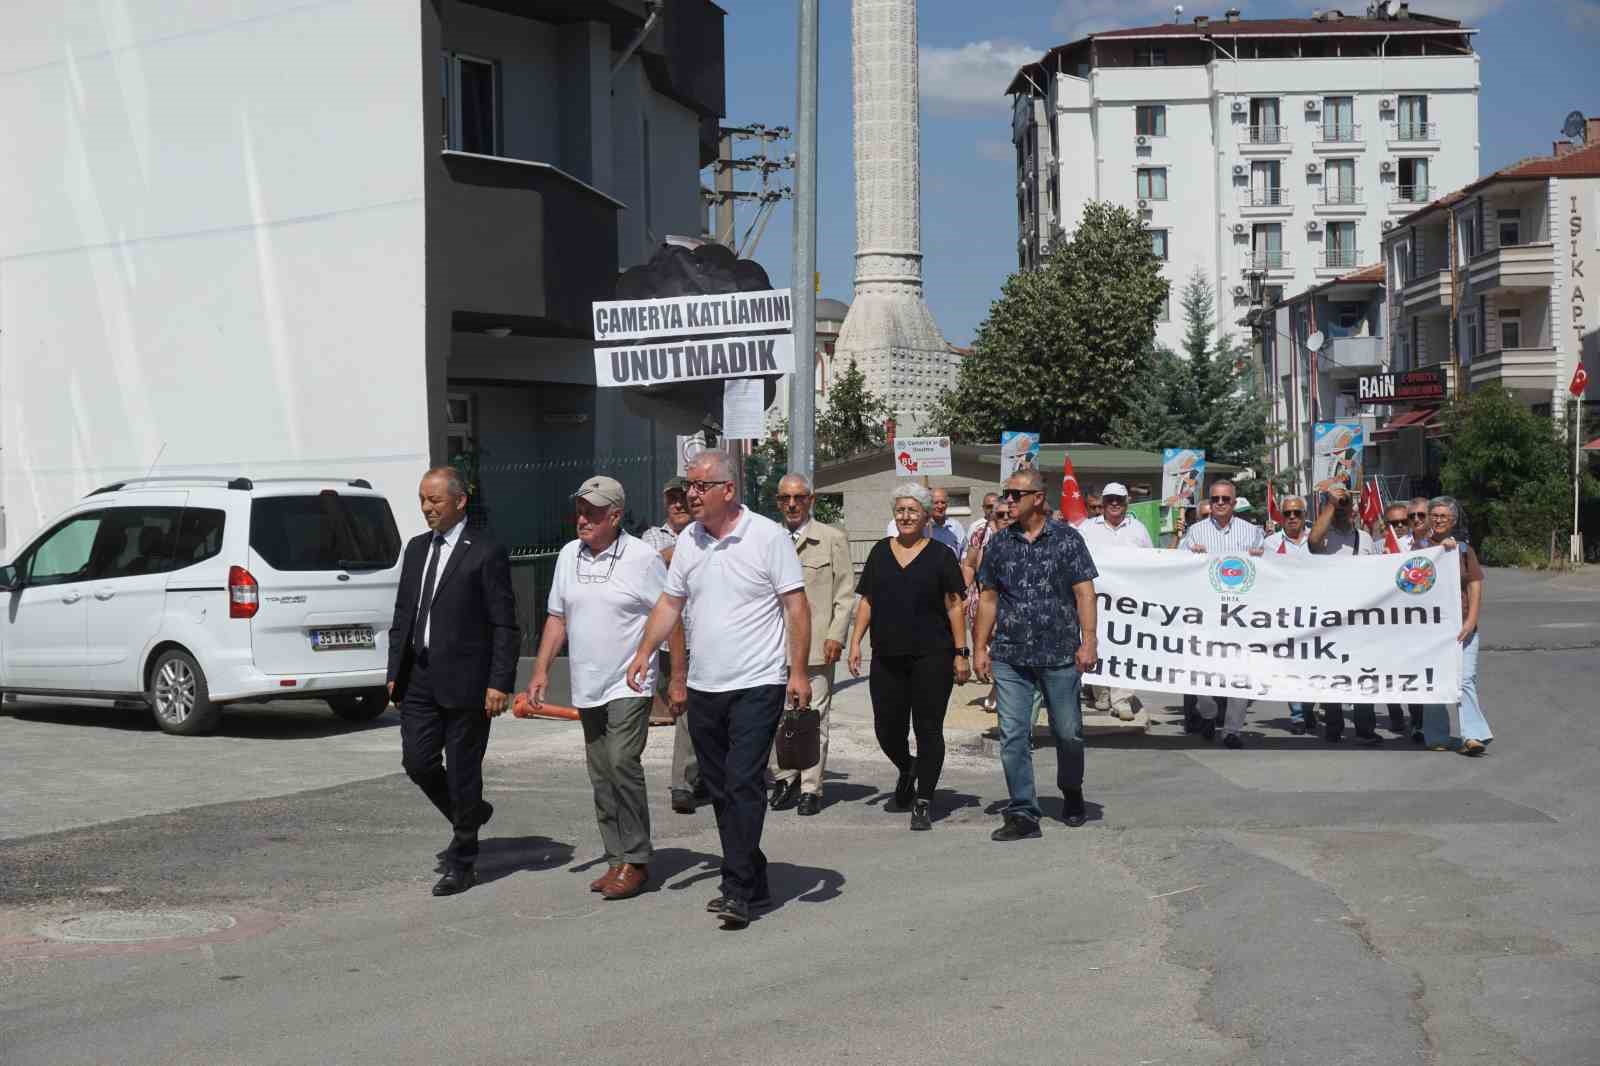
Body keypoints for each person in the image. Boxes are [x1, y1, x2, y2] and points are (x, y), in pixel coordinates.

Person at [625, 451, 810, 930]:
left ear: (727, 489)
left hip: (758, 681)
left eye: (700, 485)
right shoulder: (690, 539)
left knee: (744, 780)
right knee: (721, 787)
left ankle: (737, 888)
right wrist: (645, 651)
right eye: (689, 485)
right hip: (706, 685)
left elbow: (796, 607)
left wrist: (798, 672)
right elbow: (671, 602)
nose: (691, 493)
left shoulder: (767, 537)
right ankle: (755, 872)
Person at [527, 476, 675, 901]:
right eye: (580, 510)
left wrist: (675, 676)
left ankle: (638, 859)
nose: (582, 519)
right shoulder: (568, 556)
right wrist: (540, 671)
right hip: (587, 681)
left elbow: (670, 615)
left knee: (621, 761)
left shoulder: (643, 558)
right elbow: (558, 618)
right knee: (600, 773)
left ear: (615, 515)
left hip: (630, 679)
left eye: (591, 512)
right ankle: (617, 860)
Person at [386, 466, 518, 897]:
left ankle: (463, 859)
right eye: (423, 500)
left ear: (460, 501)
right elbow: (404, 614)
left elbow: (504, 624)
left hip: (468, 680)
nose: (427, 509)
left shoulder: (484, 550)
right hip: (420, 676)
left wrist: (499, 682)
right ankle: (471, 813)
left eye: (435, 501)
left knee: (463, 770)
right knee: (418, 762)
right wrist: (394, 673)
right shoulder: (417, 549)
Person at [974, 468, 1099, 839]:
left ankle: (1071, 790)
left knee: (1069, 732)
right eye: (1005, 494)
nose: (1007, 501)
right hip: (1011, 655)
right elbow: (988, 597)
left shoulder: (1067, 540)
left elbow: (1084, 593)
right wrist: (980, 647)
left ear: (1038, 499)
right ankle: (1023, 811)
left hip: (1060, 653)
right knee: (1012, 734)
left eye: (1015, 495)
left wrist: (1088, 640)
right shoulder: (998, 543)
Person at [849, 483, 969, 832]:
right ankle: (908, 767)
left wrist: (961, 654)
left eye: (912, 510)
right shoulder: (879, 552)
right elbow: (867, 601)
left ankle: (924, 799)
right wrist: (856, 642)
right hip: (887, 655)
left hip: (932, 656)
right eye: (900, 510)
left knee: (928, 728)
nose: (905, 516)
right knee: (887, 729)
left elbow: (954, 605)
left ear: (926, 515)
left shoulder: (941, 555)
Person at [768, 474, 854, 817]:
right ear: (778, 502)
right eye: (786, 498)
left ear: (811, 500)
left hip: (817, 643)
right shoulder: (769, 539)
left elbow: (845, 594)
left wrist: (837, 634)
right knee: (777, 718)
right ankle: (784, 778)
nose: (792, 504)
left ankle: (810, 787)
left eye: (799, 498)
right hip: (773, 645)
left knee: (812, 717)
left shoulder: (831, 539)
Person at [1177, 480, 1263, 744]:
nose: (1220, 503)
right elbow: (1176, 565)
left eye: (1226, 499)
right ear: (1210, 502)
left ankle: (1232, 731)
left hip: (1240, 614)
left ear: (1234, 503)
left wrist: (1261, 557)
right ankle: (1209, 712)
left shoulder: (1251, 532)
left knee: (1240, 671)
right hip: (1206, 614)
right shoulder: (1196, 532)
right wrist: (1190, 554)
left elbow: (1272, 569)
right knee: (1200, 671)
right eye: (1215, 499)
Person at [640, 478, 701, 812]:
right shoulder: (652, 536)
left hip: (701, 637)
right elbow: (647, 564)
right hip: (665, 643)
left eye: (683, 499)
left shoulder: (706, 534)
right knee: (681, 709)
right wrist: (677, 552)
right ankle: (702, 774)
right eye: (672, 500)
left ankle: (683, 782)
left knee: (689, 713)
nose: (678, 505)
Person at [1308, 486, 1381, 744]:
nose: (1342, 512)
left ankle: (1365, 728)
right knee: (1333, 674)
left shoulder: (1366, 539)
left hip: (1361, 619)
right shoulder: (1325, 537)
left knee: (1364, 673)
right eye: (1339, 509)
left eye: (1346, 507)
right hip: (1332, 619)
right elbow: (1312, 542)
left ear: (1354, 511)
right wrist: (1331, 503)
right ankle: (1333, 727)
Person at [1417, 496, 1490, 756]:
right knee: (1434, 680)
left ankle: (1473, 735)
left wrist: (1471, 621)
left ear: (1453, 521)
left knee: (1466, 679)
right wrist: (1435, 552)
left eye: (1443, 516)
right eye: (1433, 515)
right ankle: (1437, 736)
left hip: (1462, 627)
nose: (1437, 520)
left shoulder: (1462, 550)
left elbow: (1474, 584)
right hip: (1430, 628)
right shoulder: (1420, 548)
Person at [1075, 482, 1152, 720]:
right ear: (1103, 503)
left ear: (1126, 502)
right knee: (1096, 641)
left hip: (1128, 601)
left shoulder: (1138, 529)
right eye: (1110, 499)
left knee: (1126, 646)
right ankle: (1101, 692)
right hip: (1095, 598)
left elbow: (1152, 561)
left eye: (1119, 499)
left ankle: (1122, 699)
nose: (1115, 504)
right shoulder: (1086, 528)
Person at [1263, 495, 1318, 734]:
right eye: (1288, 513)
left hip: (1316, 612)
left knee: (1313, 664)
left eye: (1297, 513)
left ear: (1305, 515)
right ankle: (1297, 715)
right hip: (1286, 614)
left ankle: (1308, 707)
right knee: (1292, 665)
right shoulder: (1271, 543)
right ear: (1281, 516)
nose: (1293, 517)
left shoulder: (1316, 540)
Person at [1378, 501, 1424, 740]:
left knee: (1413, 672)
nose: (1399, 527)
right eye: (1392, 523)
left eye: (1403, 522)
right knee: (1389, 672)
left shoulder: (1421, 546)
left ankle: (1418, 722)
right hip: (1385, 620)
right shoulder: (1378, 547)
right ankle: (1395, 714)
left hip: (1415, 620)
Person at [963, 497, 1013, 713]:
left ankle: (1000, 690)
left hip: (1009, 602)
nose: (1003, 518)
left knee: (1005, 647)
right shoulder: (980, 535)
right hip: (981, 598)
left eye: (1007, 514)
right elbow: (969, 565)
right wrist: (962, 592)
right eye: (998, 514)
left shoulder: (1020, 536)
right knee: (987, 646)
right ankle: (1000, 687)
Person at [883, 486, 963, 555]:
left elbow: (964, 554)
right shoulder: (917, 525)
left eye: (943, 502)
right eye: (936, 503)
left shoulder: (956, 526)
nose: (940, 506)